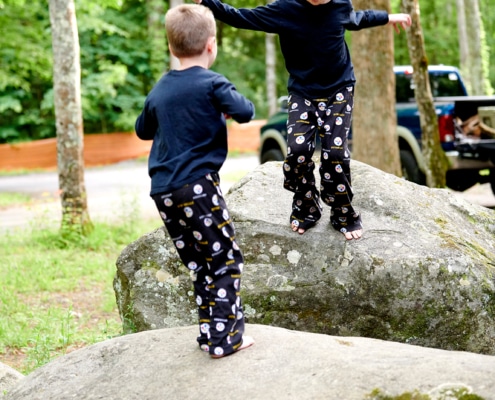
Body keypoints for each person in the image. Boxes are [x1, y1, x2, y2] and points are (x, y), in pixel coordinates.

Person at [192, 0, 412, 240]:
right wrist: (207, 3)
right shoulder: (283, 9)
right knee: (297, 152)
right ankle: (307, 206)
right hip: (303, 92)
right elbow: (241, 17)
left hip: (339, 89)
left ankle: (342, 213)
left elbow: (359, 18)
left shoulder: (340, 5)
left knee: (335, 154)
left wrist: (388, 17)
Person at [135, 4, 255, 358]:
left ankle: (209, 333)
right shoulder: (213, 83)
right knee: (225, 260)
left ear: (172, 48)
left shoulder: (160, 89)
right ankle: (224, 340)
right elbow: (245, 111)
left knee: (201, 264)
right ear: (211, 45)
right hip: (197, 187)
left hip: (164, 191)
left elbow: (143, 130)